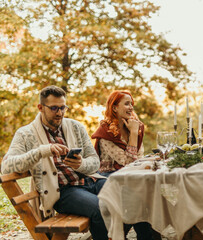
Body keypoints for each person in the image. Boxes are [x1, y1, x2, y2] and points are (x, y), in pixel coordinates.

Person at [1, 86, 108, 240]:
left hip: (90, 180)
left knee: (128, 198)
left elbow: (94, 160)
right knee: (101, 208)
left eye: (62, 107)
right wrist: (41, 151)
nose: (59, 113)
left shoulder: (76, 127)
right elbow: (6, 166)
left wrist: (81, 164)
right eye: (54, 108)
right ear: (40, 108)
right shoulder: (25, 134)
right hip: (64, 192)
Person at [92, 90, 156, 240]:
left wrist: (134, 131)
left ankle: (145, 235)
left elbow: (138, 158)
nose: (131, 107)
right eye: (126, 104)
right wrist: (133, 134)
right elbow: (129, 163)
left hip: (128, 176)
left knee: (146, 191)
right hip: (108, 178)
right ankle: (142, 236)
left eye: (131, 104)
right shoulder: (106, 132)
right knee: (137, 195)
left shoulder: (134, 126)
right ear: (114, 108)